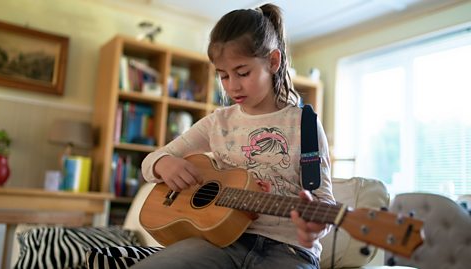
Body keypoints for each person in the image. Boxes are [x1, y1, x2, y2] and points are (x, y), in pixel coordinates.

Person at [133, 3, 334, 269]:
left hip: (289, 250)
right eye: (223, 76)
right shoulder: (217, 123)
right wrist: (163, 163)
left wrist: (317, 226)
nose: (232, 86)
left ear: (273, 62)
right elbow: (150, 162)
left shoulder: (305, 124)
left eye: (242, 72)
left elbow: (325, 202)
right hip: (220, 242)